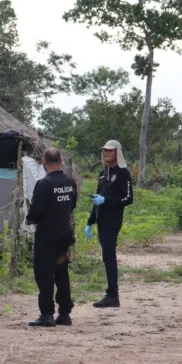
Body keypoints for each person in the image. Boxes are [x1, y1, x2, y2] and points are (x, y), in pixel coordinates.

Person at [25, 147, 78, 327]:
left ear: (44, 162)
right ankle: (64, 313)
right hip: (64, 233)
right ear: (61, 160)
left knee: (45, 273)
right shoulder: (70, 182)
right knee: (61, 271)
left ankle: (47, 314)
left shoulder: (44, 184)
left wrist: (30, 219)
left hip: (47, 235)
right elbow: (72, 205)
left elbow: (36, 210)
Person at [85, 140, 134, 308]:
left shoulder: (123, 173)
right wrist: (90, 221)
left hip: (113, 221)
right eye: (105, 150)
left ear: (117, 153)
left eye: (111, 151)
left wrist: (107, 200)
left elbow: (128, 199)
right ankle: (111, 294)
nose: (107, 153)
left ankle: (113, 295)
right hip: (101, 220)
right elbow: (97, 199)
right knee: (106, 257)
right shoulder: (102, 173)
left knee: (109, 256)